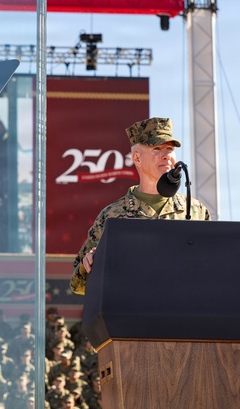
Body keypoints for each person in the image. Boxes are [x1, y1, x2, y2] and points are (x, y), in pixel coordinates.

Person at [70, 117, 210, 294]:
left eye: (170, 149)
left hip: (184, 312)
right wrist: (90, 264)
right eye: (157, 148)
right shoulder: (112, 215)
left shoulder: (195, 210)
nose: (166, 155)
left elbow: (210, 266)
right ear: (137, 158)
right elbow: (77, 285)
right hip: (132, 314)